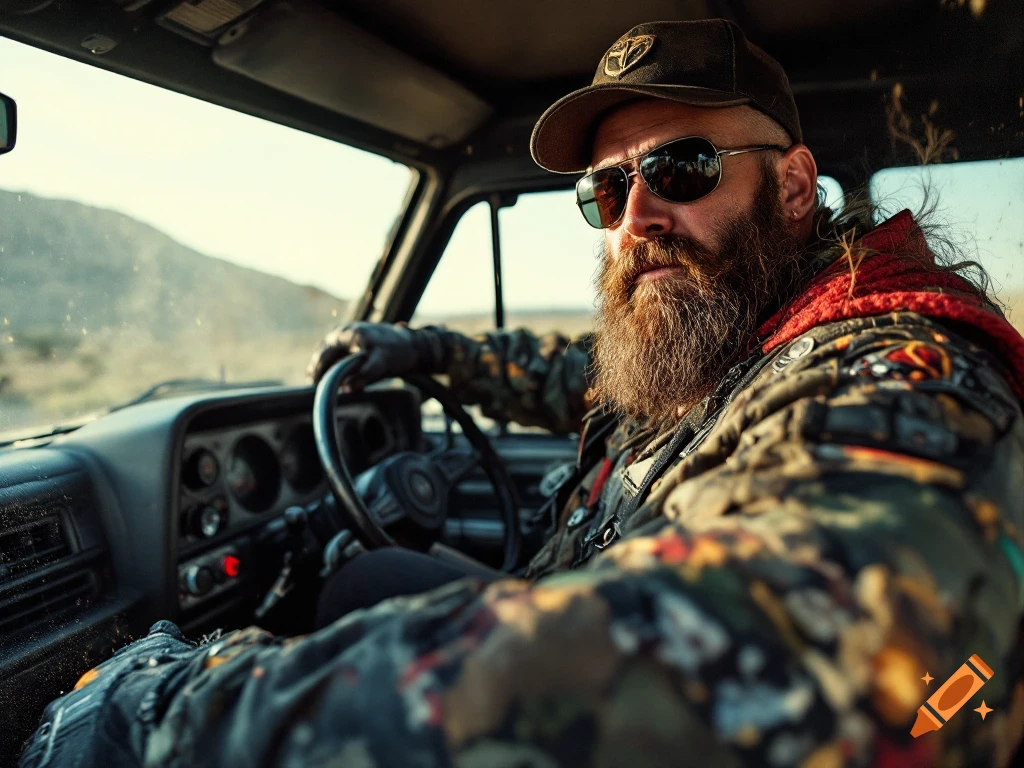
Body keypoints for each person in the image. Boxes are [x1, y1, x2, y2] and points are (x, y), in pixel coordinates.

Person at [19, 20, 1024, 768]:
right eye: (604, 191)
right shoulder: (723, 341)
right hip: (563, 601)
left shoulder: (889, 371)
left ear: (796, 187)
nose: (637, 216)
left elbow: (805, 639)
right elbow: (581, 388)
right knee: (351, 579)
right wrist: (428, 353)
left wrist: (168, 722)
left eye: (680, 167)